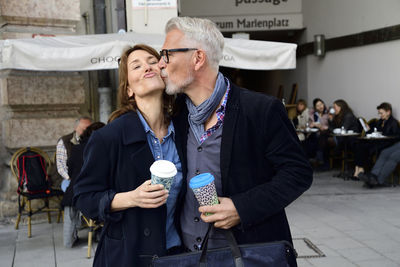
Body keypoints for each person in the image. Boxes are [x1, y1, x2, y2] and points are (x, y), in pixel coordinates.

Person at [158, 17, 313, 266]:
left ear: (198, 58)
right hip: (188, 254)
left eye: (167, 54)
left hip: (248, 253)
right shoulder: (175, 116)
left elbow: (298, 174)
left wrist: (241, 207)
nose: (160, 63)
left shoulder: (260, 109)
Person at [73, 45, 183, 266]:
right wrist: (131, 198)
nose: (147, 67)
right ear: (128, 90)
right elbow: (83, 198)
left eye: (153, 62)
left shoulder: (183, 130)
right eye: (137, 65)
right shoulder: (108, 137)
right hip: (128, 255)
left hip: (177, 252)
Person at [61, 122, 105, 248]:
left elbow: (70, 171)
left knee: (68, 187)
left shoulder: (76, 149)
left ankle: (69, 238)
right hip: (96, 193)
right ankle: (99, 231)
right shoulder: (103, 148)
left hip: (75, 192)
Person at [56, 116, 92, 247]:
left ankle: (85, 218)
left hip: (85, 178)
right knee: (70, 190)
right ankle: (77, 221)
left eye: (89, 129)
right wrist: (71, 178)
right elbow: (61, 166)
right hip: (69, 178)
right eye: (84, 129)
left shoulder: (92, 141)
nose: (87, 132)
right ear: (76, 128)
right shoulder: (65, 141)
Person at [353, 102, 400, 178]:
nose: (380, 115)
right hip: (377, 141)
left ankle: (362, 169)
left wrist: (383, 136)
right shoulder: (380, 121)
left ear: (388, 112)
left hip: (387, 144)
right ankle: (358, 169)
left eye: (381, 113)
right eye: (379, 113)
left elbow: (396, 136)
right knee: (359, 145)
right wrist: (368, 130)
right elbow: (374, 131)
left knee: (368, 148)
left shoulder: (393, 123)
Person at [306, 98, 330, 168]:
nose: (320, 107)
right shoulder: (314, 115)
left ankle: (318, 158)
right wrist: (311, 125)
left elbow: (329, 126)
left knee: (319, 138)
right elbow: (309, 123)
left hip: (325, 134)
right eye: (318, 106)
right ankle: (310, 160)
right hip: (315, 133)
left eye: (321, 104)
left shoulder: (328, 114)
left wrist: (319, 125)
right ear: (315, 108)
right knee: (307, 141)